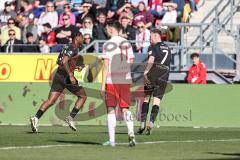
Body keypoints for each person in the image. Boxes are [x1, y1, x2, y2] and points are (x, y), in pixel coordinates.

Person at [30, 33, 87, 133]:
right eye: (82, 37)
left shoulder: (67, 46)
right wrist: (70, 75)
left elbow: (63, 61)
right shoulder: (73, 47)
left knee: (50, 101)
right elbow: (64, 61)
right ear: (77, 37)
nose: (83, 39)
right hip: (66, 77)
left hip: (58, 75)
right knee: (83, 96)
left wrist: (76, 67)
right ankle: (70, 117)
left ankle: (36, 118)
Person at [101, 22, 136, 147]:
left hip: (111, 80)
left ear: (111, 29)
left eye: (106, 29)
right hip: (125, 79)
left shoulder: (107, 44)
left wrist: (102, 84)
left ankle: (112, 141)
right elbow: (132, 61)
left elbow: (105, 65)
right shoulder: (126, 42)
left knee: (110, 109)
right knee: (125, 108)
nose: (106, 31)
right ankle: (131, 133)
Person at [137, 29, 171, 135]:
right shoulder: (169, 48)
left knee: (147, 98)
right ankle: (151, 123)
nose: (149, 39)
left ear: (156, 36)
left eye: (150, 37)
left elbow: (151, 60)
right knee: (157, 101)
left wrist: (146, 72)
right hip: (164, 76)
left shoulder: (154, 47)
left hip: (153, 74)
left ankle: (142, 123)